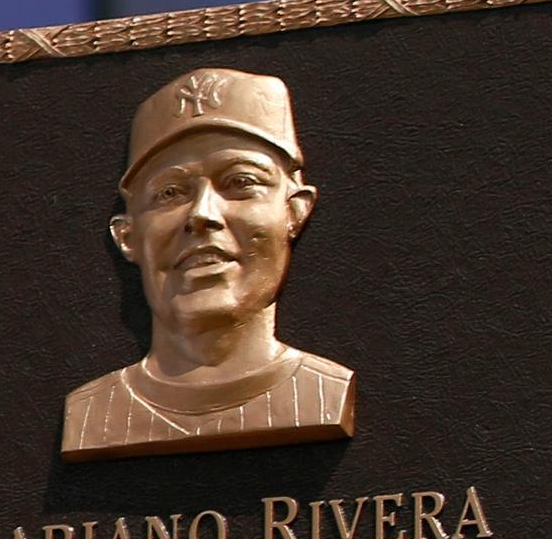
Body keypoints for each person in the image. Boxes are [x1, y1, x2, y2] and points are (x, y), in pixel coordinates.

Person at [61, 67, 356, 461]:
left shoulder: (327, 393)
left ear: (295, 212)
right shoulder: (90, 415)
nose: (202, 214)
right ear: (127, 236)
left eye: (240, 182)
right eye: (169, 192)